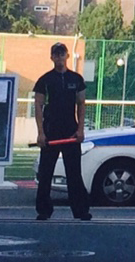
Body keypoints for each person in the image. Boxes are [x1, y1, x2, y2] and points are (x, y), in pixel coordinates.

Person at [34, 41, 91, 222]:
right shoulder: (45, 80)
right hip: (51, 132)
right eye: (56, 54)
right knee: (46, 173)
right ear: (51, 57)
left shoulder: (76, 79)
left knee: (74, 173)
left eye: (62, 54)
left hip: (70, 132)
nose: (59, 57)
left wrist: (80, 130)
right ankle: (44, 210)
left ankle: (80, 210)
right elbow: (38, 106)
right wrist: (41, 133)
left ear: (67, 55)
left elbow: (81, 104)